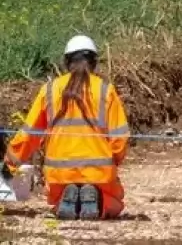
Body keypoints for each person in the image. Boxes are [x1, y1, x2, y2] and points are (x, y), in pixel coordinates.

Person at [2, 35, 129, 220]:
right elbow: (120, 138)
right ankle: (94, 196)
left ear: (66, 62)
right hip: (98, 173)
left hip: (59, 175)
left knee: (59, 197)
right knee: (114, 203)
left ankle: (67, 195)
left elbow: (30, 134)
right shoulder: (105, 90)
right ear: (94, 62)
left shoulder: (50, 89)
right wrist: (113, 162)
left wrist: (9, 165)